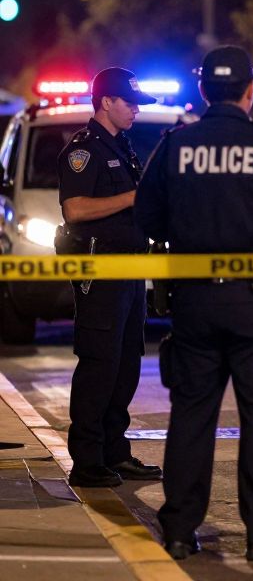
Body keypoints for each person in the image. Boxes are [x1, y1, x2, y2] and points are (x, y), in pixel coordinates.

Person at [134, 46, 253, 562]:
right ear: (249, 90)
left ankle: (180, 531)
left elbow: (147, 217)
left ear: (202, 89)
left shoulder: (176, 144)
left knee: (191, 417)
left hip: (193, 304)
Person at [57, 67, 163, 487]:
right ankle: (87, 462)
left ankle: (115, 453)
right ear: (106, 102)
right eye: (130, 103)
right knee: (100, 364)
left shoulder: (122, 146)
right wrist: (132, 197)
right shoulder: (84, 150)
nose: (136, 110)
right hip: (100, 272)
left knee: (126, 364)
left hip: (130, 270)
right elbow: (75, 209)